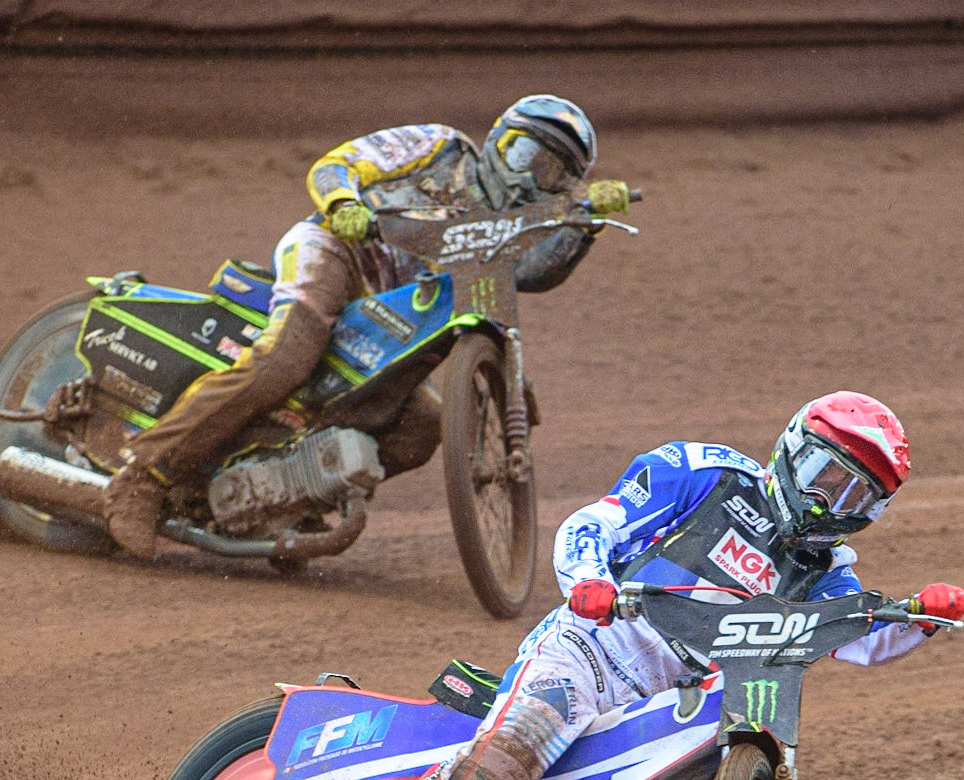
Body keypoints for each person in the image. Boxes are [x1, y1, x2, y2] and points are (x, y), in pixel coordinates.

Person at [282, 390, 964, 780]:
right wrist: (589, 582)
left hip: (672, 719)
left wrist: (921, 615)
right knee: (500, 772)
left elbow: (863, 638)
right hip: (589, 656)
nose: (834, 498)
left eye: (858, 492)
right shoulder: (705, 475)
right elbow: (594, 523)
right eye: (829, 473)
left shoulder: (826, 575)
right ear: (794, 448)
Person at [101, 95, 633, 557]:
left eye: (552, 172)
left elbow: (530, 274)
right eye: (525, 153)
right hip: (336, 252)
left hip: (390, 309)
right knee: (287, 358)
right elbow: (339, 164)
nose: (529, 177)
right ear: (497, 139)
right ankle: (143, 476)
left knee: (423, 427)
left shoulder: (520, 222)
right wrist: (342, 202)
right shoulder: (438, 145)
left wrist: (584, 226)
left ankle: (294, 498)